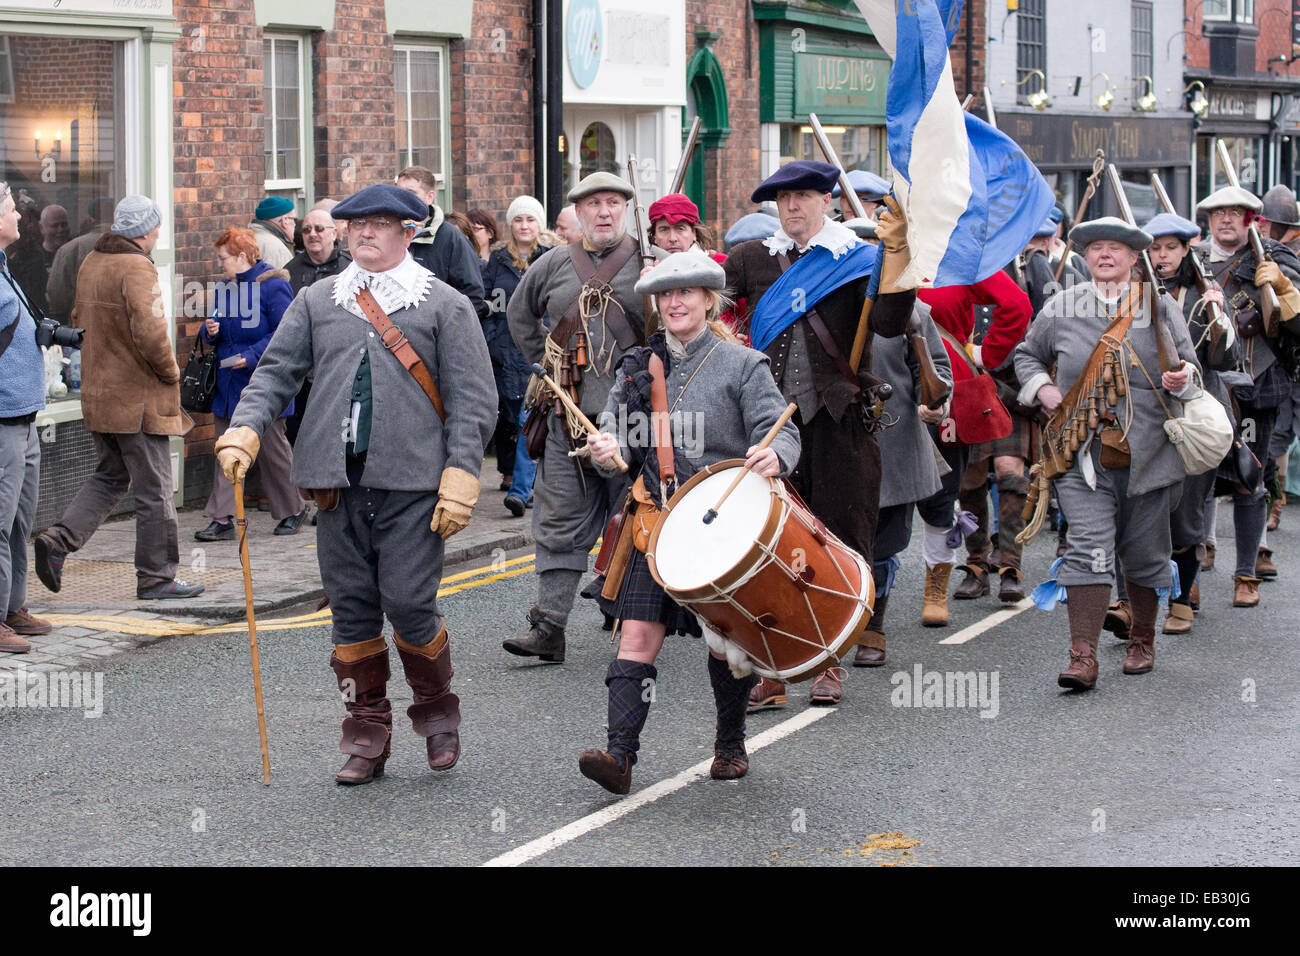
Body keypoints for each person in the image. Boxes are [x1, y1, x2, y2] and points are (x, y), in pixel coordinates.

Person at [214, 183, 497, 784]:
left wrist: (462, 473)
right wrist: (244, 429)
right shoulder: (318, 300)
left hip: (416, 484)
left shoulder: (446, 304)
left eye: (379, 223)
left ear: (409, 231)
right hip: (334, 484)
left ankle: (436, 713)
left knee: (410, 602)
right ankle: (366, 732)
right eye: (356, 224)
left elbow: (475, 399)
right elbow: (276, 373)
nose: (364, 232)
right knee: (350, 612)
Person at [579, 250, 800, 794]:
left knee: (725, 639)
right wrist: (606, 449)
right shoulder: (636, 366)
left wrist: (778, 455)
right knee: (636, 633)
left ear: (709, 300)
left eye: (688, 293)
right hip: (656, 520)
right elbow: (618, 444)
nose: (676, 302)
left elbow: (782, 429)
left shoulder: (743, 364)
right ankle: (620, 756)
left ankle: (729, 745)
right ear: (657, 304)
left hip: (723, 521)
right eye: (667, 295)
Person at [722, 160, 915, 709]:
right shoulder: (751, 258)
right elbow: (714, 308)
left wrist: (900, 259)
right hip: (765, 423)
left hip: (838, 422)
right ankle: (773, 667)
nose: (793, 207)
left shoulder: (857, 261)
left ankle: (830, 662)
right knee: (765, 545)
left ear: (827, 201)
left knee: (839, 536)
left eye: (804, 196)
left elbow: (890, 324)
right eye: (784, 199)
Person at [1015, 217, 1200, 689]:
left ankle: (1141, 638)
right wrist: (1044, 390)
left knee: (1143, 553)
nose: (1105, 255)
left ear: (1134, 257)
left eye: (1116, 248)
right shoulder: (1062, 306)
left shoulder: (1158, 307)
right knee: (1088, 547)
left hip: (1150, 454)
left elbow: (1191, 370)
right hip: (1083, 454)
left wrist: (1182, 380)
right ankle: (1083, 655)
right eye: (1096, 247)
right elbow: (1025, 356)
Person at [503, 172, 647, 663]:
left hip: (636, 421)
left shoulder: (649, 262)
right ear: (577, 213)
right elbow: (519, 318)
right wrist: (548, 366)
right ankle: (549, 628)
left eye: (612, 202)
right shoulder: (551, 265)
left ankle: (636, 622)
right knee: (558, 520)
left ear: (625, 208)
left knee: (637, 521)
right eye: (593, 204)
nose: (604, 212)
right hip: (567, 418)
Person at [33, 196, 204, 600]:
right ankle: (157, 577)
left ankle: (58, 540)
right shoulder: (136, 267)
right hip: (138, 400)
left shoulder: (93, 261)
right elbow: (151, 333)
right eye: (156, 226)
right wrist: (171, 373)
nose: (158, 233)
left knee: (111, 476)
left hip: (100, 395)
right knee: (156, 489)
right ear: (146, 230)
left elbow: (76, 320)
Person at [1195, 184, 1300, 606]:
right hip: (1204, 386)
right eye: (1219, 213)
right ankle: (1192, 569)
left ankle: (1245, 575)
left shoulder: (1276, 258)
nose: (1226, 220)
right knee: (1197, 480)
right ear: (1208, 219)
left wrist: (1285, 290)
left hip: (1257, 384)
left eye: (1236, 213)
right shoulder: (1193, 260)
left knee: (1249, 479)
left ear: (1250, 219)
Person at [1145, 211, 1237, 635]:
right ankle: (1139, 600)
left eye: (1171, 248)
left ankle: (1181, 599)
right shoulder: (1134, 293)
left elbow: (1225, 359)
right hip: (1147, 415)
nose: (1162, 256)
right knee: (1144, 514)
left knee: (1187, 514)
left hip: (1195, 415)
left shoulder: (1205, 294)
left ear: (1186, 250)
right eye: (1155, 248)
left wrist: (1220, 319)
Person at [194, 228, 304, 542]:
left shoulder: (274, 285)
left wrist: (252, 355)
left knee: (272, 451)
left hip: (263, 380)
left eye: (223, 258)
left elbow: (286, 331)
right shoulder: (226, 286)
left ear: (242, 256)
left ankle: (293, 509)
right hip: (228, 383)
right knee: (225, 449)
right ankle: (222, 517)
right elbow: (213, 329)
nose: (220, 263)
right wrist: (210, 329)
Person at [856, 305, 952, 665]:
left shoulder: (912, 311)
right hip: (831, 438)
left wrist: (935, 401)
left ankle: (872, 629)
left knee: (883, 543)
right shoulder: (816, 299)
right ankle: (830, 633)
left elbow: (937, 369)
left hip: (892, 441)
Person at [0, 182, 52, 653]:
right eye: (12, 210)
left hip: (24, 414)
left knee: (20, 519)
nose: (21, 219)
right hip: (3, 419)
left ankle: (13, 608)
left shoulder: (6, 268)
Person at [482, 195, 552, 517]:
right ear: (511, 225)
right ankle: (532, 482)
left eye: (531, 219)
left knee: (527, 421)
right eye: (519, 220)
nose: (524, 226)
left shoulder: (552, 258)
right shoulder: (496, 262)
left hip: (538, 353)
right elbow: (484, 305)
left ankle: (520, 491)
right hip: (501, 352)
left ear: (540, 224)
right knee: (510, 422)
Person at [395, 166, 488, 320]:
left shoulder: (451, 237)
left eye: (411, 193)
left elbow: (472, 295)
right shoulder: (387, 233)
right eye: (399, 192)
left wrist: (445, 330)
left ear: (430, 197)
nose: (402, 199)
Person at [1259, 185, 1300, 530]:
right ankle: (1274, 503)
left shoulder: (1284, 257)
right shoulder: (1267, 254)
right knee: (1278, 437)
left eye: (1266, 223)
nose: (1261, 227)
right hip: (1287, 358)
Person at [45, 200, 112, 325]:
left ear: (90, 219)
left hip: (82, 329)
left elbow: (57, 299)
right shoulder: (132, 245)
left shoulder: (69, 250)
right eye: (55, 225)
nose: (60, 230)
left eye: (64, 224)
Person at [248, 196, 296, 269]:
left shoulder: (249, 238)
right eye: (293, 219)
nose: (295, 224)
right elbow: (282, 280)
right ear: (285, 220)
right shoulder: (277, 250)